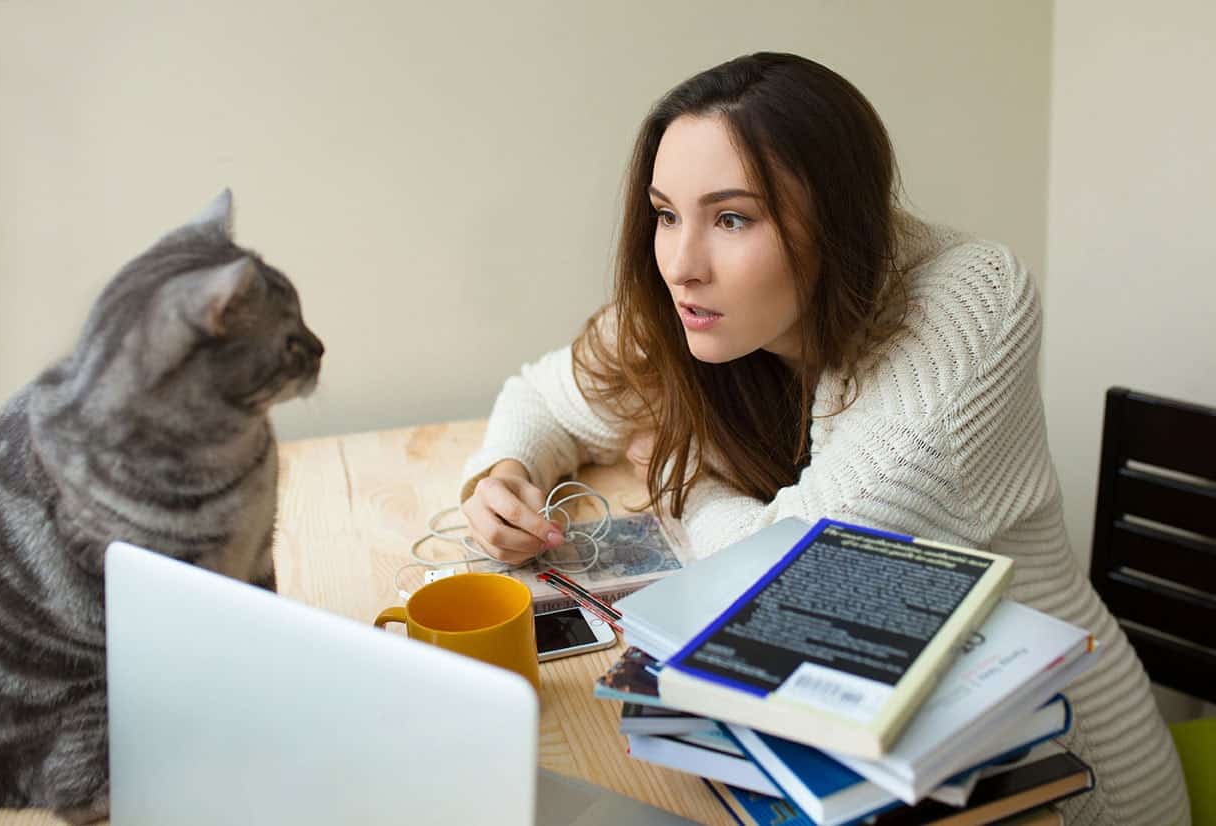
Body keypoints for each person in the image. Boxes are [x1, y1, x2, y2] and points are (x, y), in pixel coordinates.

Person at [458, 52, 1189, 825]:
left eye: (732, 217)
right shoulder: (707, 312)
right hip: (853, 751)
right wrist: (503, 473)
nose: (679, 263)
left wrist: (691, 479)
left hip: (1049, 781)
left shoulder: (970, 302)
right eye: (666, 213)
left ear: (836, 220)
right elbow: (543, 395)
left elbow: (787, 581)